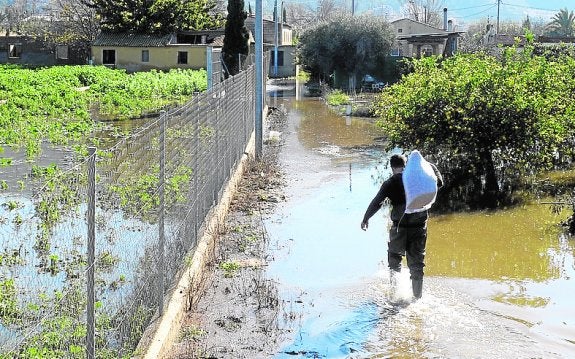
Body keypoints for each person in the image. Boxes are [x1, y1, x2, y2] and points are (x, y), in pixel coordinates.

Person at [360, 153, 443, 300]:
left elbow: (377, 202)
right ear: (405, 165)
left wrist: (366, 218)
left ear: (392, 167)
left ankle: (395, 294)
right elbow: (439, 183)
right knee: (417, 265)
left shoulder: (390, 182)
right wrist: (429, 166)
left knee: (394, 259)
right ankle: (417, 298)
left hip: (399, 228)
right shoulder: (417, 179)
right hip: (419, 227)